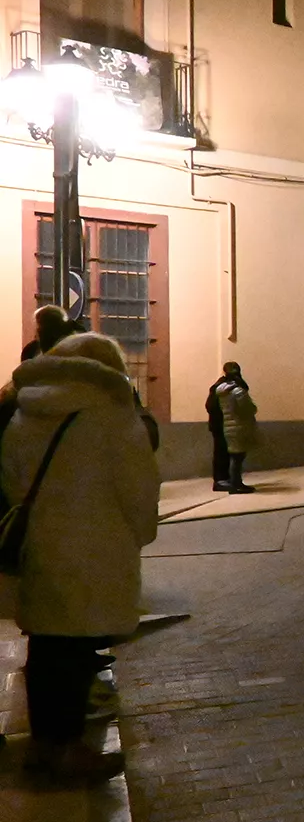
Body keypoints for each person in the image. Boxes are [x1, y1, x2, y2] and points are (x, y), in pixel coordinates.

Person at [1, 334, 158, 784]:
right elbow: (138, 492)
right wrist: (140, 532)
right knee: (75, 653)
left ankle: (43, 746)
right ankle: (67, 751)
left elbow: (13, 483)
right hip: (95, 551)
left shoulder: (25, 415)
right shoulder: (111, 417)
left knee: (48, 649)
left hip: (41, 550)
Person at [214, 363, 258, 494]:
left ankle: (235, 483)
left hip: (228, 426)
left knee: (234, 456)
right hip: (239, 426)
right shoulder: (238, 391)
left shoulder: (221, 391)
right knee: (238, 457)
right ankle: (236, 484)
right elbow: (248, 408)